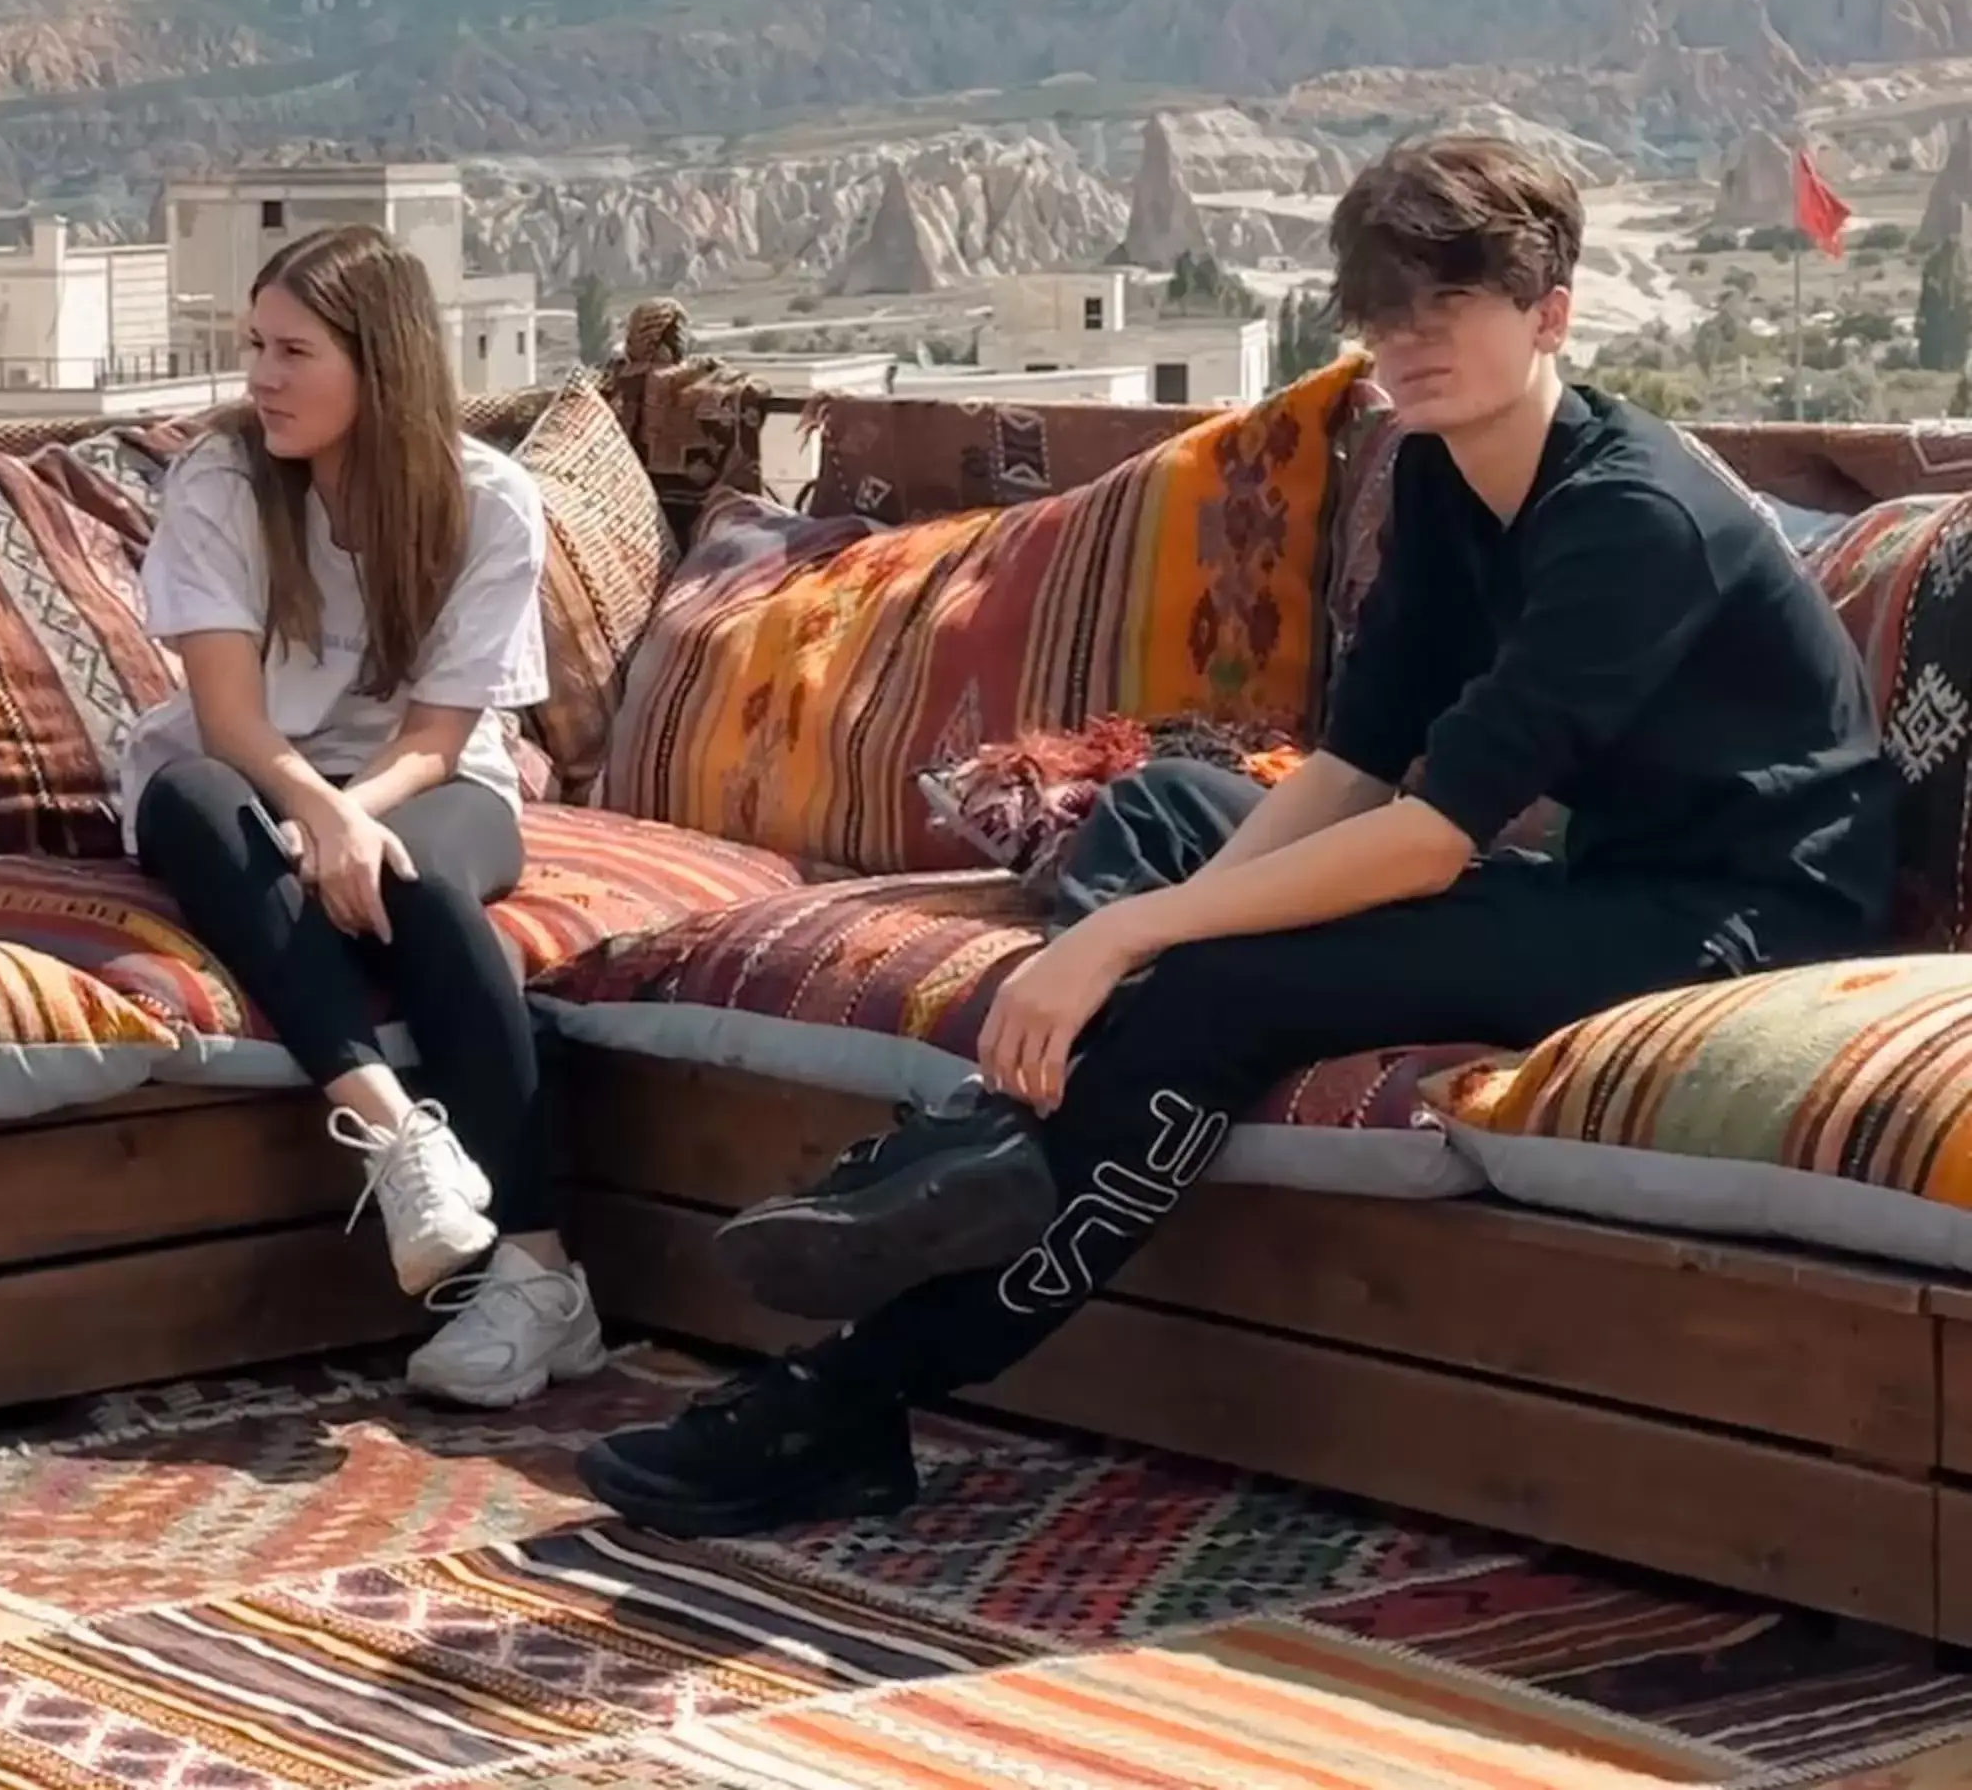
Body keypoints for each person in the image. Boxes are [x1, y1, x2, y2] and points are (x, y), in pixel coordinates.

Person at [579, 133, 1900, 1538]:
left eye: (1448, 305)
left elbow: (1431, 837)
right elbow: (1351, 763)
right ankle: (972, 1149)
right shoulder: (1451, 478)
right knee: (1167, 816)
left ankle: (852, 1396)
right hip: (1610, 877)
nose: (1409, 341)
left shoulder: (1634, 518)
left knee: (1217, 981)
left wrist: (1125, 937)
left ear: (1550, 311)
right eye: (1386, 310)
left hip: (1742, 919)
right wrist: (1162, 910)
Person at [125, 221, 598, 1408]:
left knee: (422, 890)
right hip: (252, 775)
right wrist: (312, 810)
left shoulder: (490, 501)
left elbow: (439, 737)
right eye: (254, 348)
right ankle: (399, 1142)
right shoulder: (224, 479)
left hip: (430, 782)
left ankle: (541, 1275)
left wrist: (354, 818)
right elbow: (227, 722)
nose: (262, 379)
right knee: (184, 797)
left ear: (378, 363)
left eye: (294, 351)